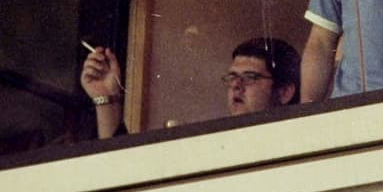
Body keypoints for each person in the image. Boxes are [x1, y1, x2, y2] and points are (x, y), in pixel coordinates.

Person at [80, 37, 299, 139]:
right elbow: (125, 176)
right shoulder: (215, 142)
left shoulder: (297, 143)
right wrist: (106, 99)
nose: (236, 85)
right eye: (232, 77)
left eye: (250, 77)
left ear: (284, 92)